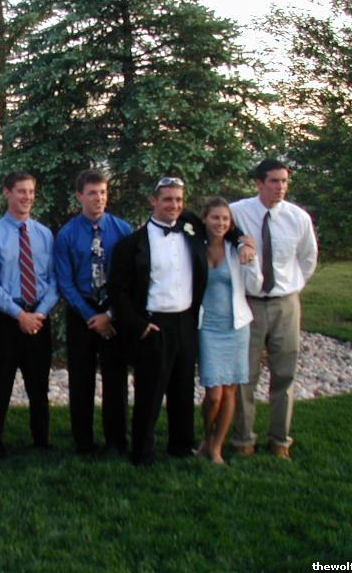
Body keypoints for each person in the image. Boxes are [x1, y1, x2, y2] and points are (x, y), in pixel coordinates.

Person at [108, 177, 252, 466]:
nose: (173, 204)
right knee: (149, 393)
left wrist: (241, 240)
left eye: (178, 199)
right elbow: (118, 291)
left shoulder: (191, 231)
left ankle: (181, 446)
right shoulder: (131, 244)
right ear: (153, 201)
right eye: (167, 199)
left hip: (186, 321)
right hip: (154, 324)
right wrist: (138, 325)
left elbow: (223, 225)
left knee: (183, 389)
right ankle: (142, 452)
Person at [230, 159, 318, 459]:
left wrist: (290, 287)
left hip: (285, 304)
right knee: (245, 375)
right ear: (259, 184)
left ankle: (280, 440)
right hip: (249, 303)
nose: (280, 187)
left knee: (284, 373)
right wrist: (241, 242)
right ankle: (243, 439)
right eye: (274, 181)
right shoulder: (238, 212)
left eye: (284, 181)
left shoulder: (298, 218)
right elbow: (217, 230)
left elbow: (307, 259)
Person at [0, 171, 59, 457]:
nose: (27, 197)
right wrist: (19, 315)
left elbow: (53, 280)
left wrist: (39, 313)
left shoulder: (44, 234)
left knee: (39, 384)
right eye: (21, 191)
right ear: (7, 193)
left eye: (31, 192)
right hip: (5, 318)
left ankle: (41, 440)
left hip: (38, 316)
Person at [54, 169, 132, 455]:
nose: (98, 198)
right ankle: (83, 442)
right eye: (92, 193)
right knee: (81, 379)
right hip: (82, 312)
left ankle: (117, 440)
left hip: (113, 311)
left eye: (102, 193)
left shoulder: (122, 230)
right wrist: (91, 316)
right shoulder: (67, 234)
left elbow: (130, 277)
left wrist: (110, 314)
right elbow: (65, 281)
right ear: (79, 196)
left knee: (115, 378)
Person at [196, 197, 263, 465]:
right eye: (215, 217)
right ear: (204, 219)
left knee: (230, 392)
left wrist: (251, 259)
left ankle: (216, 447)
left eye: (225, 219)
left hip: (235, 327)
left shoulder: (237, 249)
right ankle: (206, 438)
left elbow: (256, 286)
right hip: (207, 328)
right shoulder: (195, 247)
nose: (221, 223)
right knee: (214, 395)